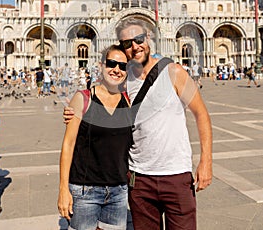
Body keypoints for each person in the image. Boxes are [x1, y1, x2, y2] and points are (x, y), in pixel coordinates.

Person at [64, 18, 213, 230]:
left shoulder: (174, 72)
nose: (135, 46)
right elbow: (101, 97)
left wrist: (205, 161)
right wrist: (73, 109)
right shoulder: (125, 81)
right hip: (139, 179)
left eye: (139, 39)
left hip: (176, 175)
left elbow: (202, 115)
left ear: (148, 38)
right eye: (127, 43)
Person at [58, 45, 132, 230]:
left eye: (122, 66)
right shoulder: (83, 98)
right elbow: (68, 144)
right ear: (101, 65)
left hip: (118, 190)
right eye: (112, 63)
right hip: (85, 190)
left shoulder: (129, 101)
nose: (116, 69)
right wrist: (63, 190)